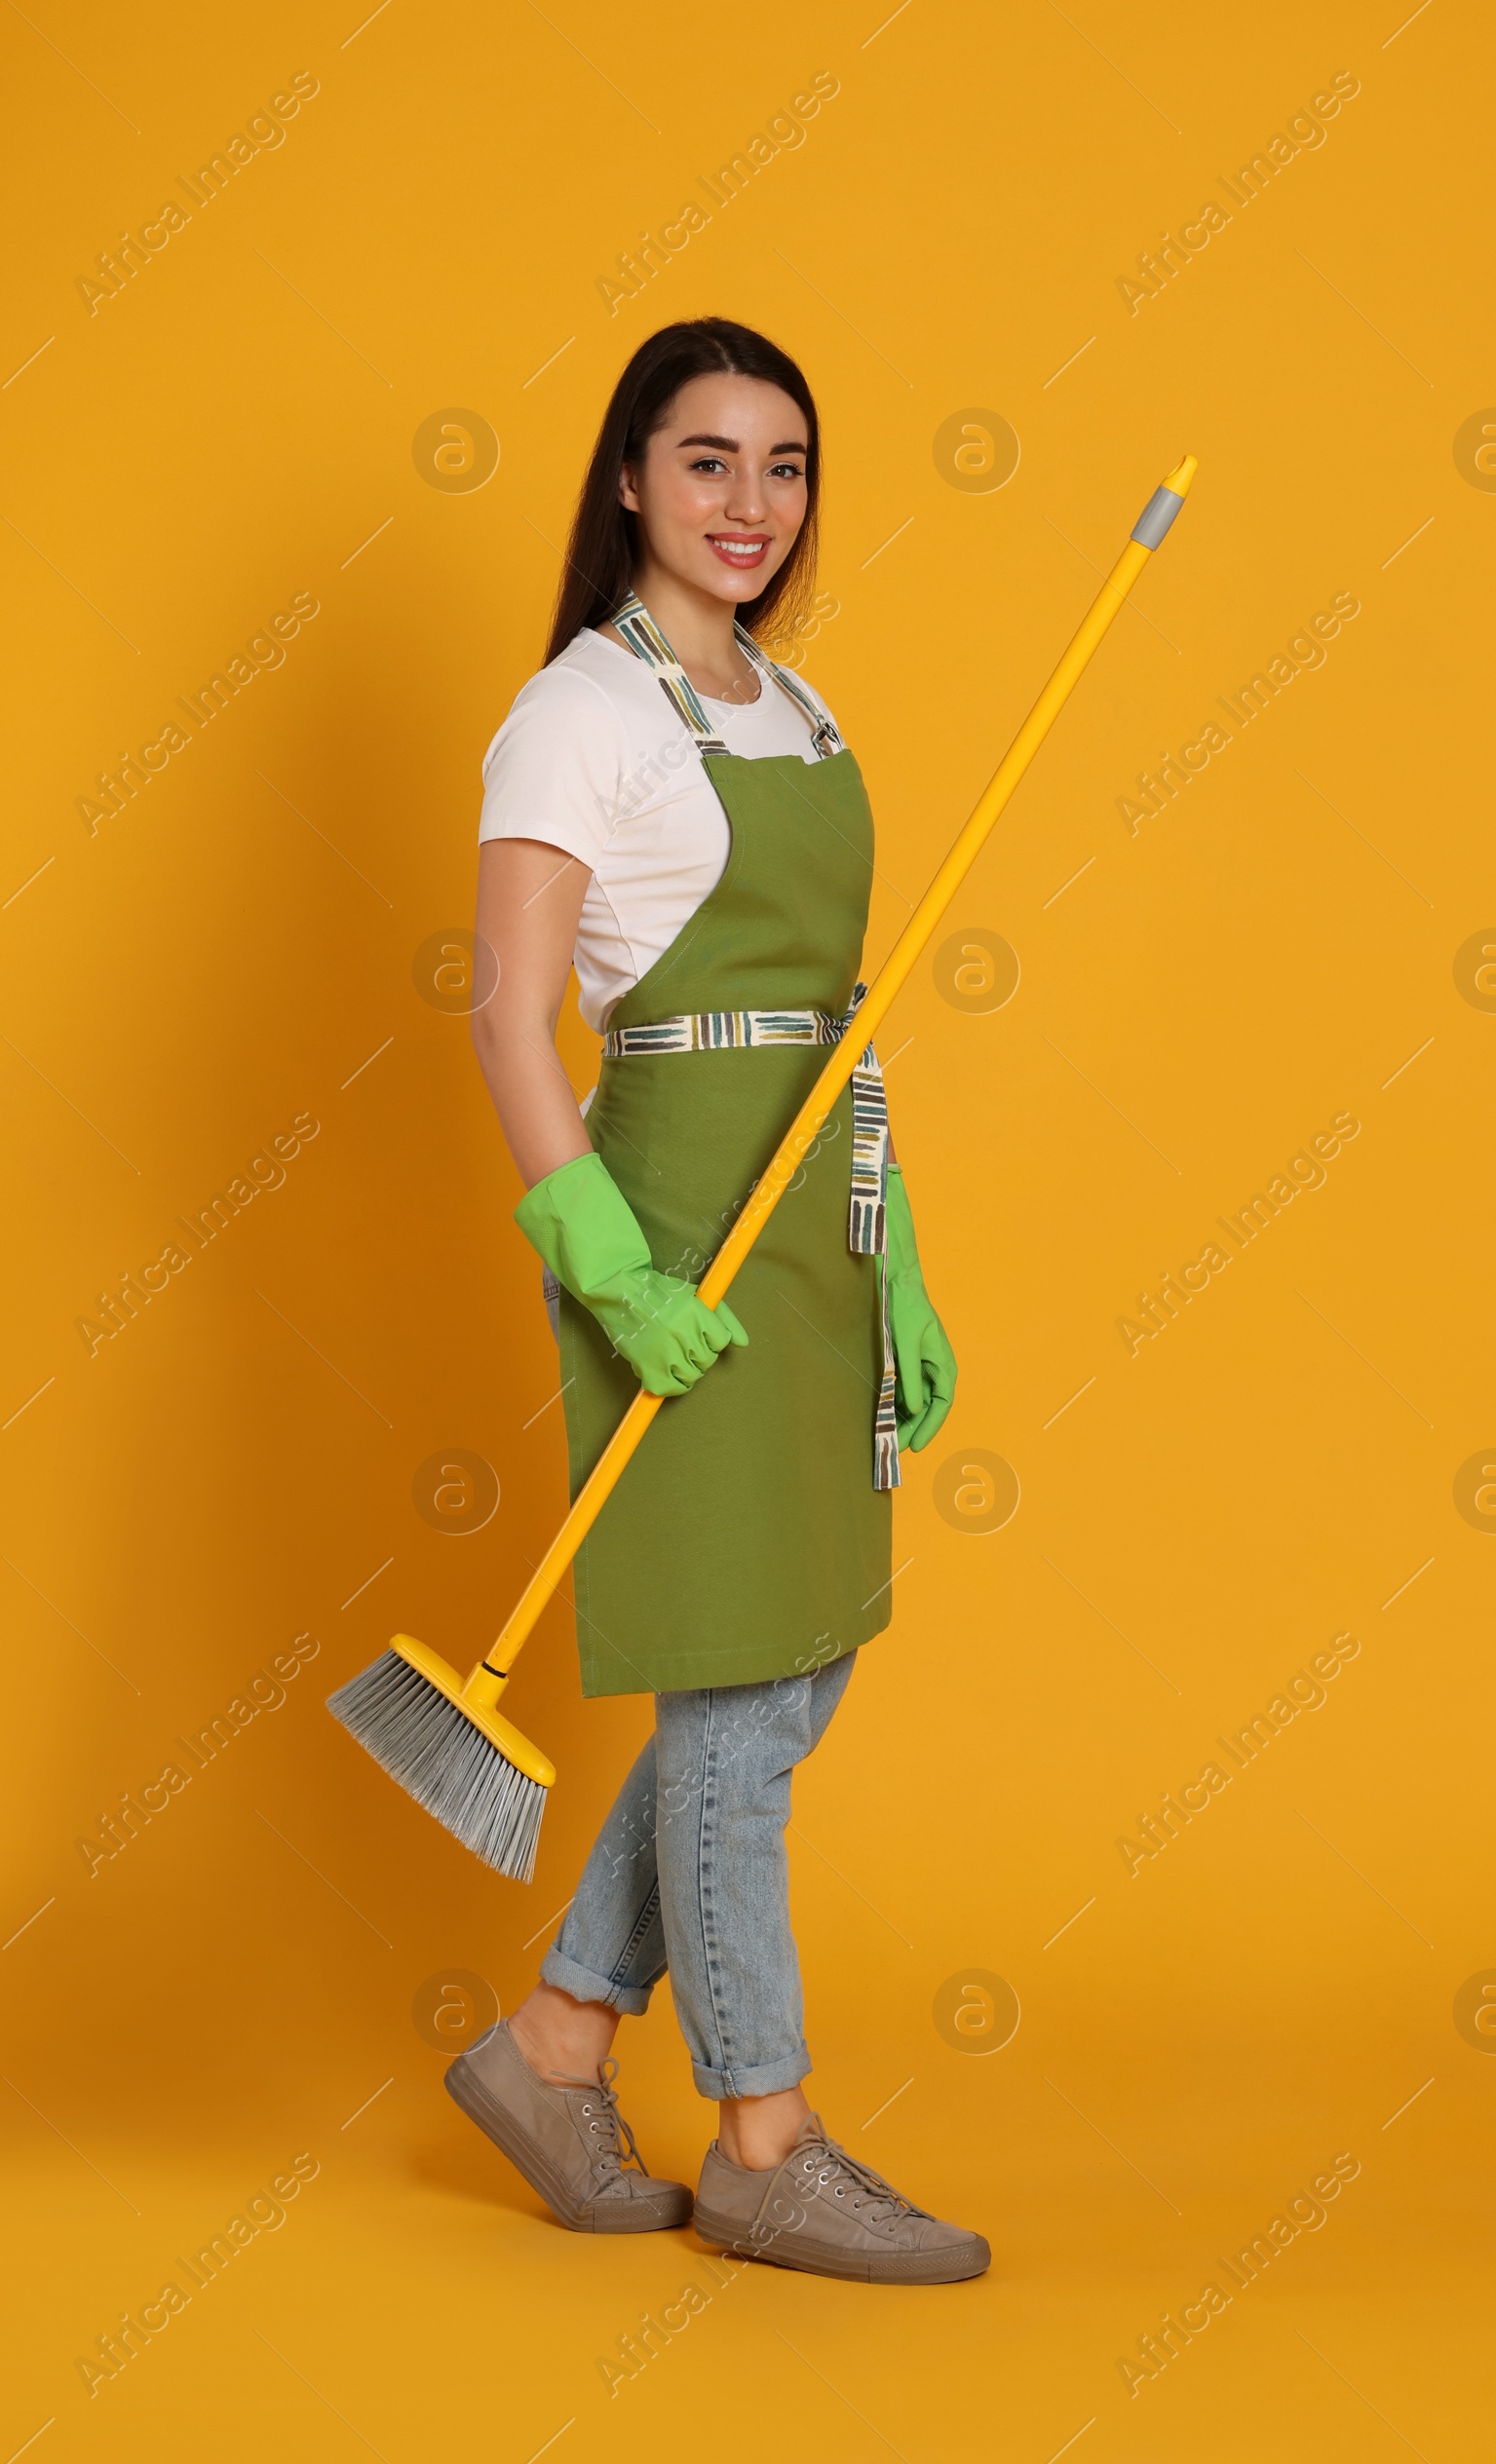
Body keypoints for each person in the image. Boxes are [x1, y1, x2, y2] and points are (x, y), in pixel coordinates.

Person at [450, 318, 986, 2284]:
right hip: (664, 1205)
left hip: (816, 1206)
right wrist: (602, 1258)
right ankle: (762, 2132)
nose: (749, 503)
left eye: (782, 465)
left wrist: (896, 1250)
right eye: (706, 461)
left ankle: (552, 2044)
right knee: (739, 1703)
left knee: (792, 1667)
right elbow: (506, 1010)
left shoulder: (802, 710)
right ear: (627, 479)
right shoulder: (573, 715)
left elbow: (836, 1033)